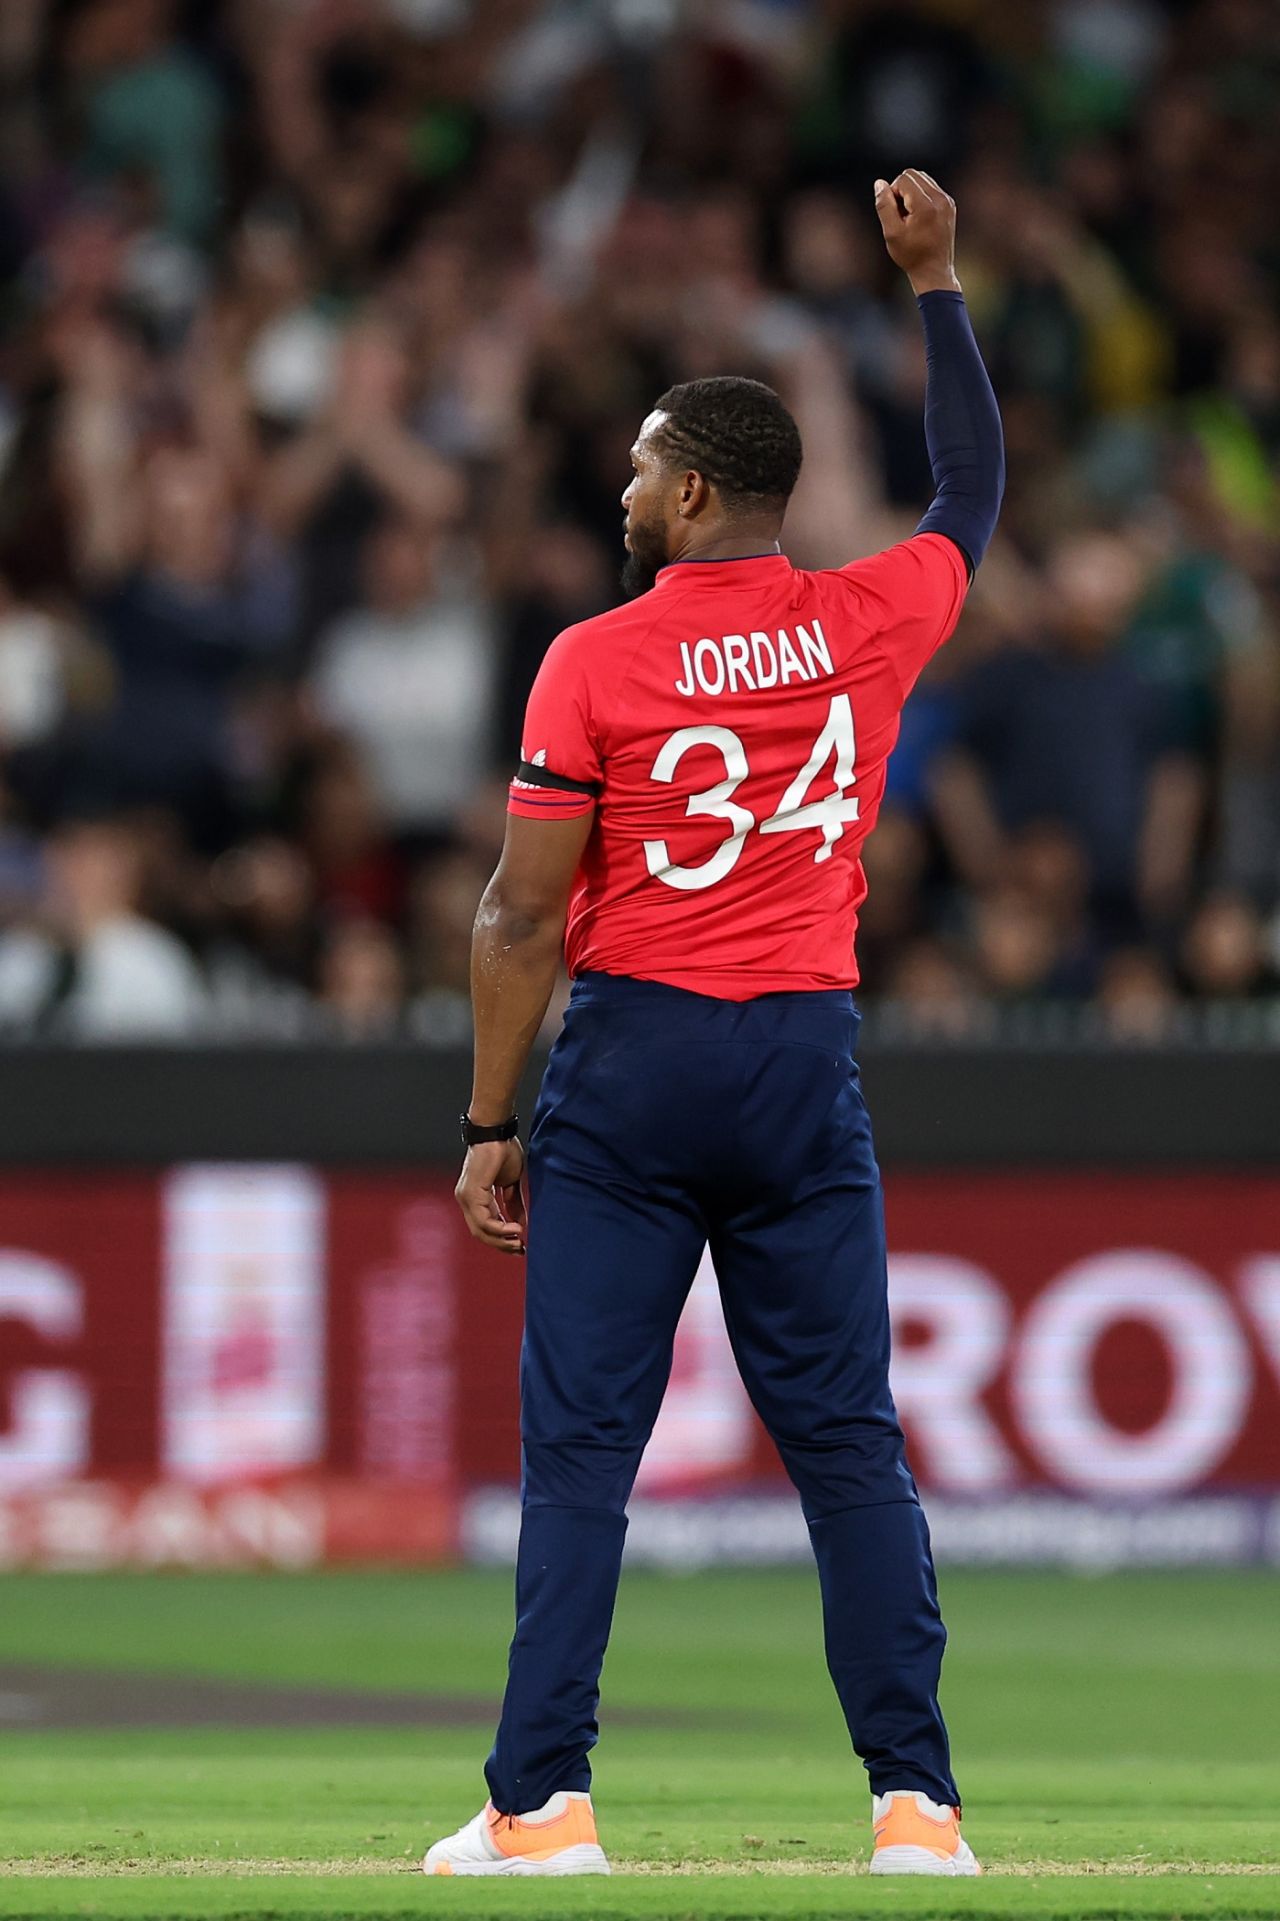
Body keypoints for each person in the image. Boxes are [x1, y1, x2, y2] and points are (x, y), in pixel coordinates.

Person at [429, 170, 1003, 1879]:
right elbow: (972, 484)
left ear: (686, 492)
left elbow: (522, 915)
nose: (619, 486)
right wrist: (937, 285)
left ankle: (543, 1807)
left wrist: (485, 1124)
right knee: (847, 1444)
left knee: (586, 1451)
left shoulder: (591, 661)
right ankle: (918, 1804)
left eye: (632, 468)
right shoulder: (867, 618)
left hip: (640, 1056)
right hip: (802, 1060)